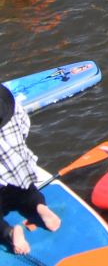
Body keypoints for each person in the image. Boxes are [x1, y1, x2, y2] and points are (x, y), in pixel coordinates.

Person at [0, 86, 60, 257]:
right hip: (19, 166)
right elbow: (25, 126)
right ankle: (40, 206)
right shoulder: (10, 106)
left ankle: (10, 233)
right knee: (26, 192)